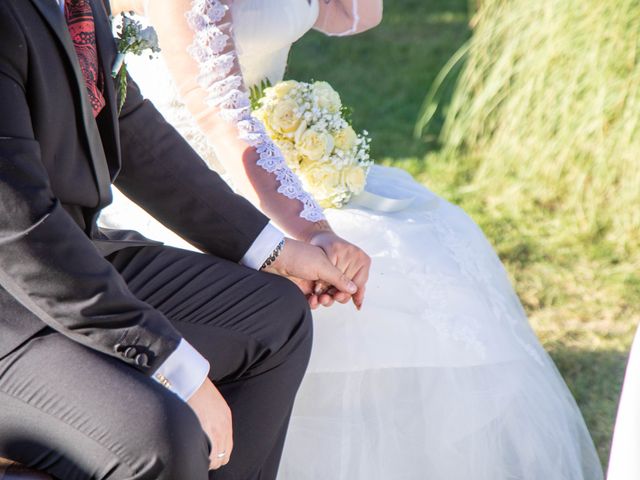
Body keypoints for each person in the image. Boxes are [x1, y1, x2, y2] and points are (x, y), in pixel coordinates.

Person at [103, 0, 605, 478]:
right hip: (196, 188)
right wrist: (313, 230)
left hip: (272, 166)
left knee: (436, 241)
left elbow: (355, 15)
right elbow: (218, 112)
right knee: (380, 269)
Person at [0, 0, 361, 479]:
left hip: (75, 255)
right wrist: (175, 367)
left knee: (275, 318)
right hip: (13, 301)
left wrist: (278, 251)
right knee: (163, 436)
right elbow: (21, 230)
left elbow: (125, 123)